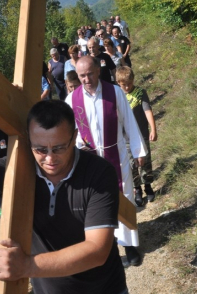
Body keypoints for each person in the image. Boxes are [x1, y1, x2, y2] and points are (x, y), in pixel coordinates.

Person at [0, 100, 128, 294]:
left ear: (74, 136)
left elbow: (97, 250)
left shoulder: (98, 173)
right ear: (29, 140)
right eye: (40, 149)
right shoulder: (19, 168)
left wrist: (26, 266)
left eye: (59, 148)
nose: (50, 159)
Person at [65, 56, 147, 267]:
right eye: (82, 76)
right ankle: (107, 248)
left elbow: (129, 121)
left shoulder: (114, 92)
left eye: (89, 74)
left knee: (124, 197)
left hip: (116, 155)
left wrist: (139, 150)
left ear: (98, 71)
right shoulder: (71, 100)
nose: (86, 79)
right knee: (97, 203)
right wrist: (75, 149)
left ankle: (129, 246)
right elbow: (70, 132)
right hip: (89, 160)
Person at [116, 66, 157, 205]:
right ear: (118, 83)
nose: (127, 87)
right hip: (125, 138)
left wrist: (153, 128)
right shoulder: (118, 96)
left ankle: (148, 186)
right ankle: (137, 189)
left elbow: (147, 111)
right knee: (132, 165)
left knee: (145, 163)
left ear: (133, 80)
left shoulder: (140, 93)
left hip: (142, 135)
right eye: (123, 85)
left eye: (129, 83)